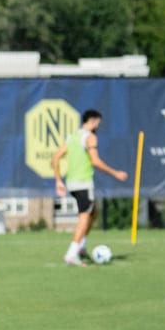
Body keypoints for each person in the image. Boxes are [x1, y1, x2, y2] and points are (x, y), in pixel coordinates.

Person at [51, 109, 128, 267]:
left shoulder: (72, 137)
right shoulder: (90, 138)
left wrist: (58, 180)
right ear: (92, 121)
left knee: (94, 211)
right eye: (98, 123)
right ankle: (71, 254)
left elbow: (55, 157)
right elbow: (95, 162)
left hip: (72, 183)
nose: (98, 126)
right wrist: (116, 173)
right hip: (83, 183)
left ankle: (80, 247)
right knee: (85, 216)